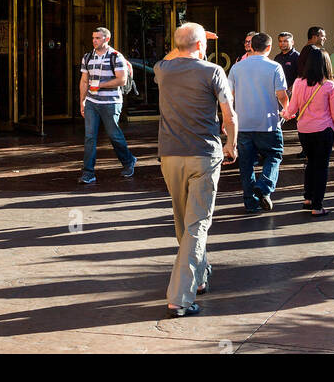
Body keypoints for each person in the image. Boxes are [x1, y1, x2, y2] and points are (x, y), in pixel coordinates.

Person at [154, 23, 238, 318]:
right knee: (197, 225)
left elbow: (173, 54)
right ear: (201, 45)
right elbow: (229, 114)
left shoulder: (162, 69)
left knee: (183, 223)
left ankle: (198, 278)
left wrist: (189, 41)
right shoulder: (213, 71)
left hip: (170, 156)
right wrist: (232, 145)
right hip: (204, 155)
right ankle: (179, 297)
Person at [228, 32, 288, 212]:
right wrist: (287, 109)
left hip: (243, 123)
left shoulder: (236, 68)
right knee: (274, 155)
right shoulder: (275, 67)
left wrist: (227, 121)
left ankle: (250, 202)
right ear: (269, 48)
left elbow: (228, 96)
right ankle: (264, 186)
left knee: (246, 165)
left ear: (251, 46)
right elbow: (281, 95)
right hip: (268, 122)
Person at [284, 46, 334, 215]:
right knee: (322, 167)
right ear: (326, 64)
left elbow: (293, 108)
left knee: (310, 164)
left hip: (304, 130)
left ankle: (308, 198)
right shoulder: (330, 86)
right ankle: (317, 206)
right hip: (324, 130)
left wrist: (285, 113)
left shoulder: (298, 82)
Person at [78, 27, 136, 184]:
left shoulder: (116, 57)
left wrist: (101, 86)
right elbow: (84, 81)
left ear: (106, 39)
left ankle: (128, 161)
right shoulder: (88, 57)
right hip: (92, 102)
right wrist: (82, 101)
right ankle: (88, 172)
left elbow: (122, 80)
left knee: (114, 135)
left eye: (98, 38)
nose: (94, 40)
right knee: (90, 137)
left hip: (111, 102)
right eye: (93, 38)